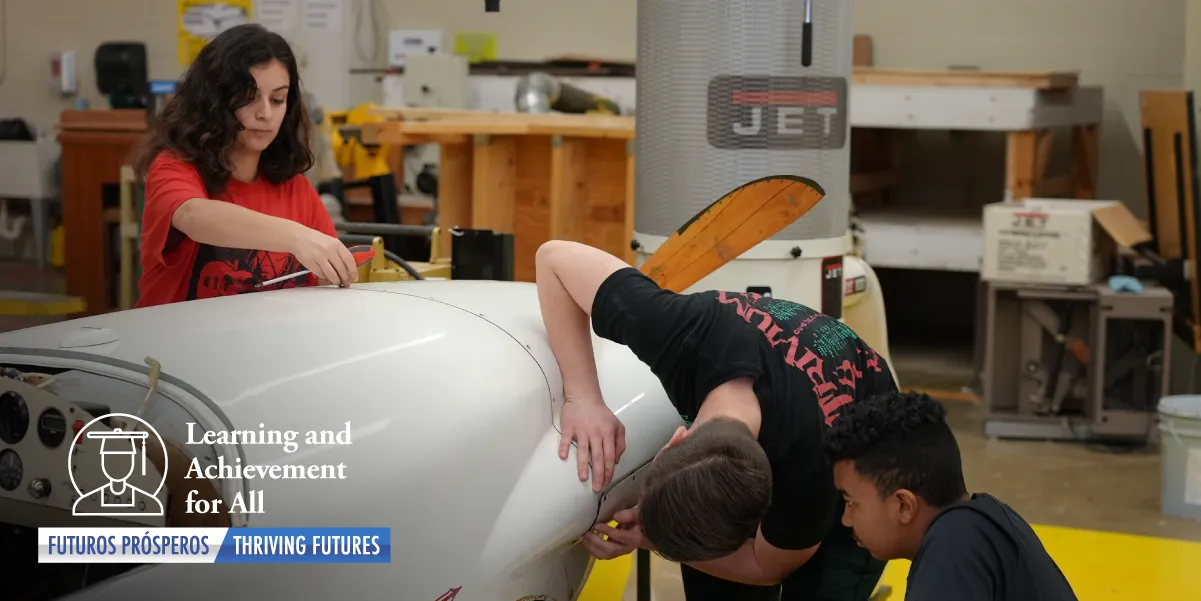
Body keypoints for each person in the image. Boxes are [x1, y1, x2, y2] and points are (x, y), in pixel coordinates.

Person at [535, 239, 898, 600]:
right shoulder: (681, 332)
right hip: (795, 408)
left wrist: (653, 540)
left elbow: (769, 568)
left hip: (872, 451)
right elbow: (555, 258)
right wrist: (582, 396)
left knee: (827, 587)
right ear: (676, 440)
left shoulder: (809, 473)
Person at [131, 23, 358, 308]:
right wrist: (296, 237)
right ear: (214, 100)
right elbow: (194, 216)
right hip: (173, 348)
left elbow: (328, 291)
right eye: (249, 98)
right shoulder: (174, 168)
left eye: (277, 99)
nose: (265, 113)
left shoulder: (295, 189)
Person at [823, 391, 1079, 601]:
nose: (846, 519)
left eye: (850, 502)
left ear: (903, 506)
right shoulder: (982, 524)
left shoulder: (952, 550)